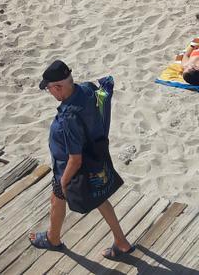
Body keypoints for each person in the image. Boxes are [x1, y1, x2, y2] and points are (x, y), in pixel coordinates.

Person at [28, 60, 134, 261]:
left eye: (49, 89)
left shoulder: (69, 116)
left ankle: (53, 239)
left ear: (58, 87)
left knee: (56, 199)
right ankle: (121, 241)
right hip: (94, 159)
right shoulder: (87, 89)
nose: (50, 93)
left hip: (71, 168)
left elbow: (75, 159)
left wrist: (63, 181)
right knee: (100, 199)